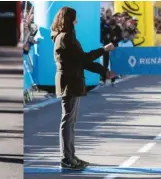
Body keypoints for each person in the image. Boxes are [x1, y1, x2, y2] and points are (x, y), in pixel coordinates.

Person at [50, 6, 117, 170]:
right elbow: (84, 58)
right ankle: (66, 158)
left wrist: (104, 72)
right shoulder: (65, 37)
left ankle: (70, 156)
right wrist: (104, 50)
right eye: (75, 18)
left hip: (72, 81)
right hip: (69, 82)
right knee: (67, 121)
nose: (77, 21)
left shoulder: (67, 37)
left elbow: (83, 61)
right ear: (69, 19)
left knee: (70, 122)